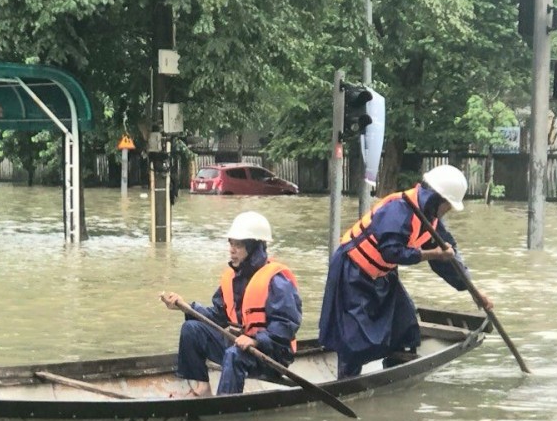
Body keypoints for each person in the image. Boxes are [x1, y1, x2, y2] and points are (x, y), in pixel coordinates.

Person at [318, 164, 493, 379]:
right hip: (353, 270)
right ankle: (346, 380)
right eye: (448, 205)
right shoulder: (398, 208)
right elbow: (392, 251)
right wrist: (433, 254)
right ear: (437, 198)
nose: (447, 210)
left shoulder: (431, 220)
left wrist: (474, 291)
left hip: (383, 275)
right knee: (354, 337)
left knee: (404, 324)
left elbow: (449, 259)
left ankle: (394, 369)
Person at [161, 211, 302, 396]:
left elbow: (285, 327)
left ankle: (224, 402)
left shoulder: (277, 280)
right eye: (231, 243)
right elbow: (219, 315)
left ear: (253, 248)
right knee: (191, 329)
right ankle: (202, 389)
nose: (232, 250)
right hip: (240, 345)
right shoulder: (233, 278)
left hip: (272, 354)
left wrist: (256, 340)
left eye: (239, 245)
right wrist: (185, 306)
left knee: (233, 355)